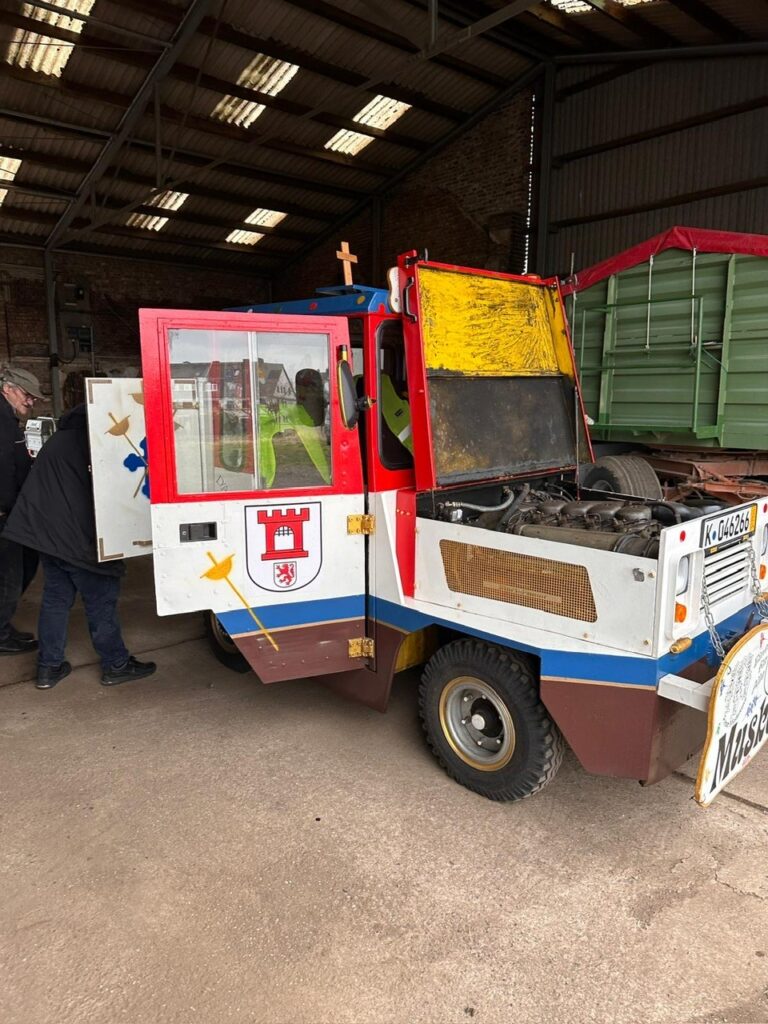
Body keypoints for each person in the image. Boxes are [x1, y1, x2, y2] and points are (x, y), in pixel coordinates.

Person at [3, 404, 156, 690]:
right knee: (101, 601)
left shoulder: (60, 438)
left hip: (47, 536)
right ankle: (116, 664)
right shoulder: (96, 442)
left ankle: (49, 667)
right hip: (76, 538)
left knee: (56, 601)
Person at [0, 365, 42, 656]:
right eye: (28, 395)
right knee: (10, 575)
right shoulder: (1, 420)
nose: (31, 402)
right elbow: (3, 470)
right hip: (4, 514)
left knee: (25, 565)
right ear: (9, 388)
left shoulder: (7, 418)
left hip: (10, 511)